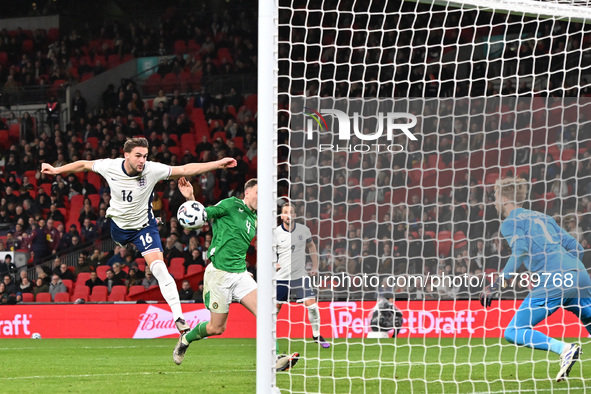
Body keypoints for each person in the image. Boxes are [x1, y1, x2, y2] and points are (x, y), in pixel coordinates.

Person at [41, 137, 237, 334]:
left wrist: (218, 164)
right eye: (138, 156)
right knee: (119, 241)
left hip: (144, 227)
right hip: (119, 227)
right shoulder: (110, 166)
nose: (142, 160)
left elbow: (185, 169)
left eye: (144, 156)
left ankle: (179, 318)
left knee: (160, 268)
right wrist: (57, 170)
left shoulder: (152, 170)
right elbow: (83, 164)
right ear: (126, 155)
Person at [172, 178, 299, 371]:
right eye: (258, 192)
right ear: (247, 192)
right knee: (217, 328)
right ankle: (186, 338)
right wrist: (191, 199)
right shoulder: (231, 204)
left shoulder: (255, 218)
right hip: (219, 275)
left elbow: (259, 246)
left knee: (267, 313)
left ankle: (274, 359)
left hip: (240, 275)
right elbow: (204, 215)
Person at [480, 177, 591, 382]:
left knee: (514, 330)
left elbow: (520, 251)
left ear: (504, 199)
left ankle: (564, 349)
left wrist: (496, 285)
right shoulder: (544, 218)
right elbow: (578, 248)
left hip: (555, 279)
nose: (494, 202)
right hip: (580, 274)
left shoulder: (510, 223)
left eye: (495, 197)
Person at [274, 203, 330, 348]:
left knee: (312, 306)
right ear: (281, 216)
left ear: (295, 215)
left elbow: (311, 246)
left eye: (291, 212)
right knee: (275, 310)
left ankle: (316, 335)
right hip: (281, 277)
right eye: (285, 212)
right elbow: (268, 251)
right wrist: (274, 262)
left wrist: (315, 265)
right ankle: (269, 336)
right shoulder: (275, 233)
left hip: (300, 276)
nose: (288, 215)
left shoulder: (303, 230)